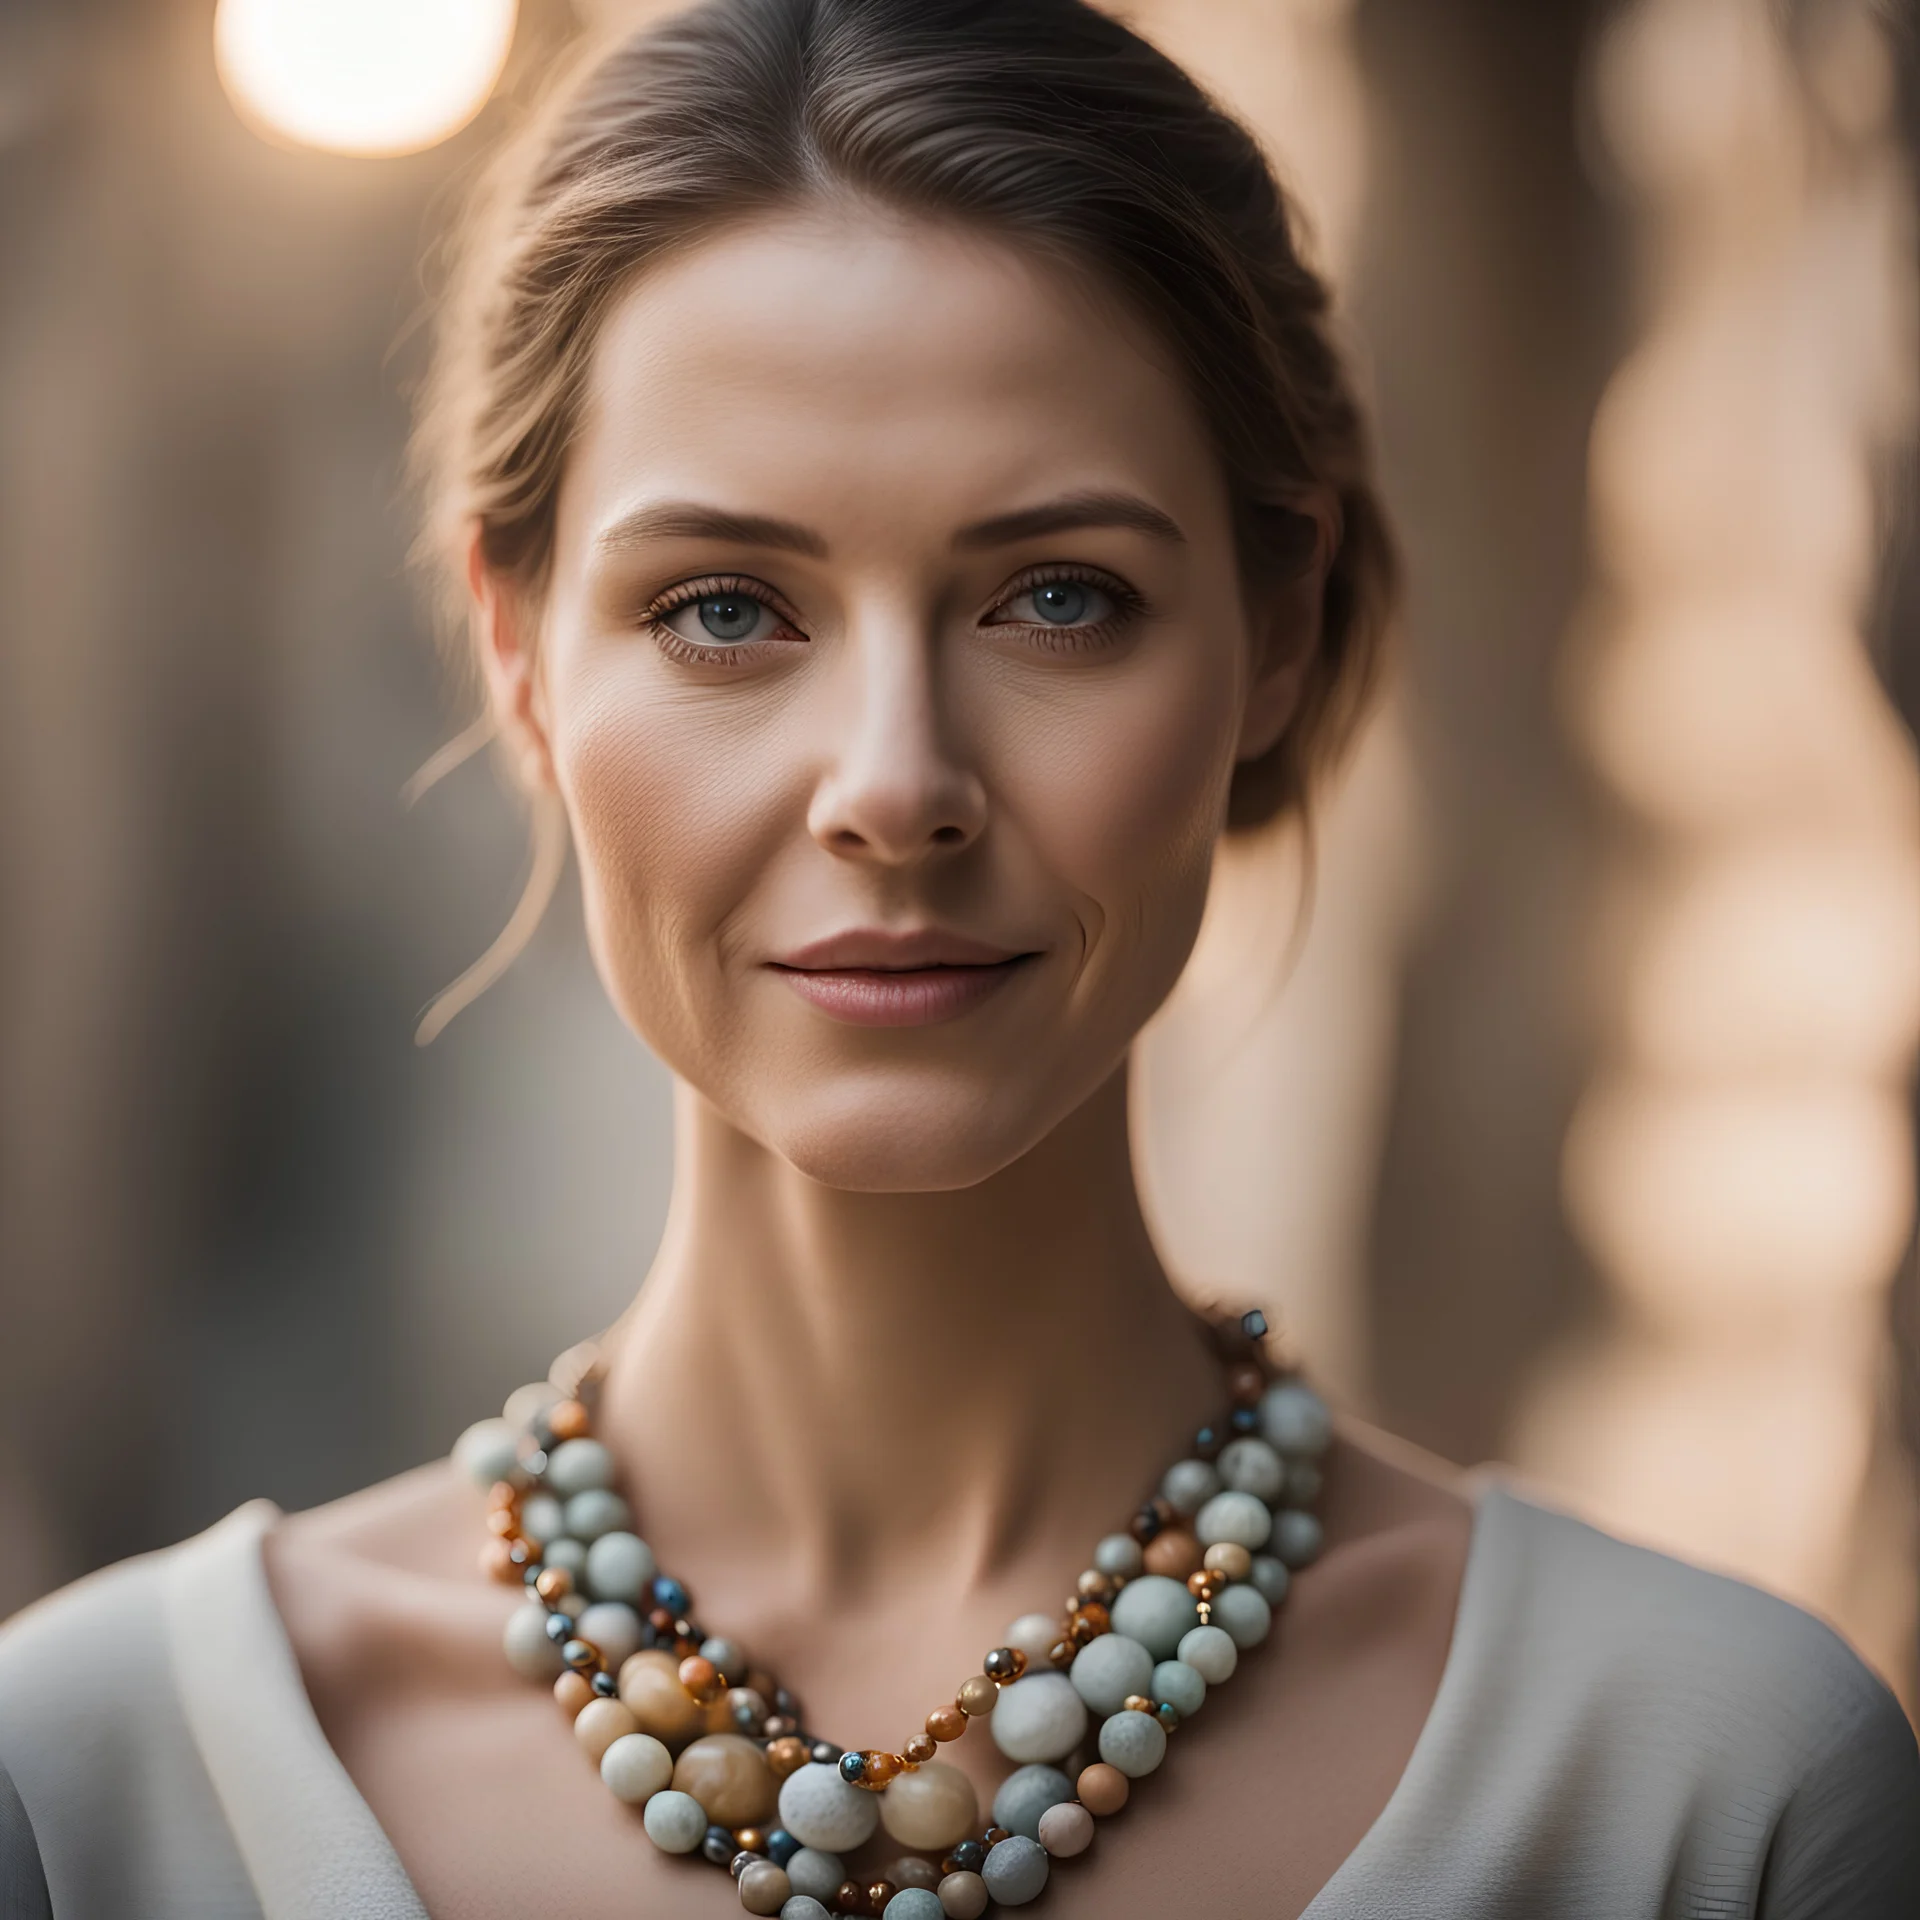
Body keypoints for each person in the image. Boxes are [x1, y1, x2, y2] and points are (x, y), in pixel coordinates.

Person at [2, 1, 1915, 1915]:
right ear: (516, 648)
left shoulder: (1705, 1791)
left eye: (1059, 598)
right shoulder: (93, 1786)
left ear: (1274, 626)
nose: (896, 786)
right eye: (727, 609)